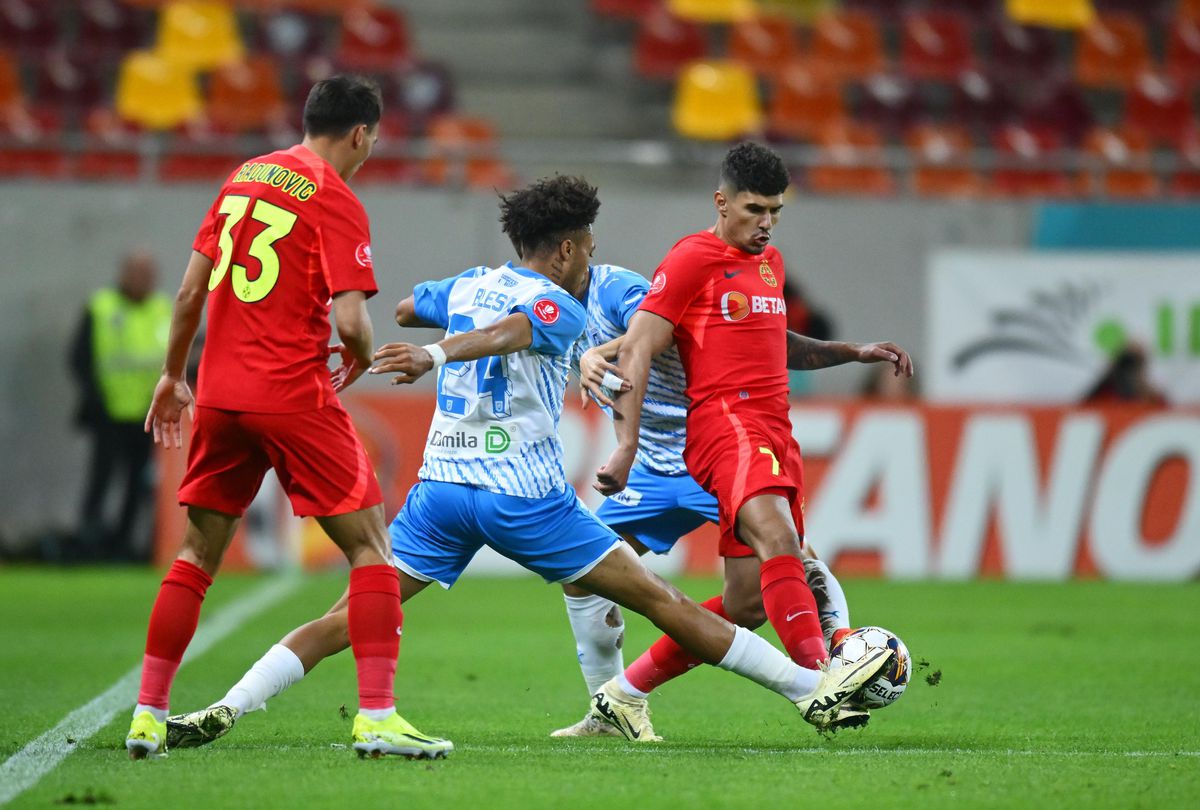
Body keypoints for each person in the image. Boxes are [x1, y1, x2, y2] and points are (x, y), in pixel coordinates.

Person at [162, 175, 895, 753]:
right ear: (569, 249)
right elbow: (521, 327)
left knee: (346, 615)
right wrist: (444, 350)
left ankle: (229, 703)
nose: (590, 262)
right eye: (588, 248)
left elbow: (415, 304)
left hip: (441, 492)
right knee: (660, 600)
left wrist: (436, 326)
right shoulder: (565, 307)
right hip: (523, 499)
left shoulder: (469, 286)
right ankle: (808, 688)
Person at [125, 75, 443, 761]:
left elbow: (188, 293)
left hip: (217, 395)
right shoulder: (335, 195)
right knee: (372, 550)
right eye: (374, 140)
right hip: (293, 396)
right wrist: (359, 359)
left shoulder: (243, 177)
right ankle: (378, 716)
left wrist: (172, 376)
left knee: (195, 556)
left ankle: (148, 714)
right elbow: (353, 320)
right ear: (360, 133)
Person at [584, 142, 913, 739]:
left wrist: (851, 352)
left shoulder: (771, 265)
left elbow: (774, 339)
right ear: (722, 201)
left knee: (746, 604)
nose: (765, 223)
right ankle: (822, 682)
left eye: (776, 212)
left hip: (775, 430)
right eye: (755, 209)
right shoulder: (691, 258)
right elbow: (637, 344)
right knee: (779, 538)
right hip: (725, 426)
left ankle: (623, 694)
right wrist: (625, 444)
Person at [69, 249, 171, 562]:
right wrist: (94, 399)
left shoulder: (164, 309)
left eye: (147, 274)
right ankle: (89, 542)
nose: (142, 280)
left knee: (138, 483)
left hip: (147, 415)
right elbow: (79, 358)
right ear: (123, 274)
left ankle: (123, 545)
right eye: (137, 273)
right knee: (101, 479)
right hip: (108, 414)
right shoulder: (101, 307)